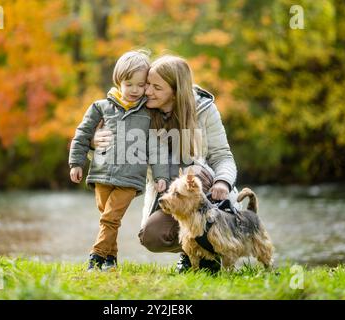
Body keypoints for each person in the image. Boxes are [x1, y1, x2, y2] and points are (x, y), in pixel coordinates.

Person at [93, 54, 240, 273]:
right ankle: (191, 253)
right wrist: (95, 144)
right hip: (166, 192)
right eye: (148, 85)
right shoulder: (139, 110)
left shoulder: (205, 110)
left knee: (192, 173)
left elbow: (223, 156)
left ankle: (210, 255)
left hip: (206, 193)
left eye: (157, 87)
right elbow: (118, 153)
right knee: (152, 237)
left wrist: (223, 182)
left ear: (175, 91)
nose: (147, 91)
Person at [69, 50, 168, 272]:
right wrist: (76, 163)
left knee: (110, 218)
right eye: (128, 83)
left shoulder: (149, 113)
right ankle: (111, 260)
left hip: (130, 178)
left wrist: (161, 175)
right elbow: (82, 134)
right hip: (101, 173)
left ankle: (95, 259)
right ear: (118, 81)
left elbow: (156, 147)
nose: (134, 90)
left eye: (140, 85)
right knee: (108, 216)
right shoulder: (100, 107)